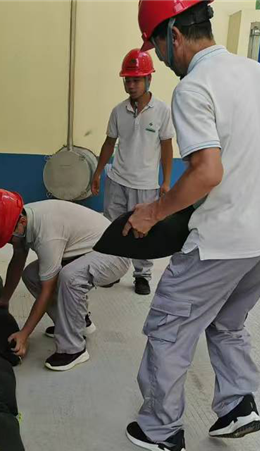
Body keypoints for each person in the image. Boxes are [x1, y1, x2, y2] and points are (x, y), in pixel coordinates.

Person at [122, 0, 260, 451]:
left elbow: (206, 171)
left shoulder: (195, 87)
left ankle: (160, 430)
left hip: (222, 240)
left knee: (170, 326)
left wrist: (154, 212)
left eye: (158, 47)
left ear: (174, 36)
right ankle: (237, 404)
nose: (162, 60)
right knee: (227, 321)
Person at [0, 189, 129, 371]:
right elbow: (17, 261)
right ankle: (77, 323)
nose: (9, 242)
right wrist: (4, 299)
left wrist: (24, 334)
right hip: (87, 249)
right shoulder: (20, 218)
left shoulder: (47, 234)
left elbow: (47, 290)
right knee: (31, 275)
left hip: (114, 254)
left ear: (21, 222)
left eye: (8, 238)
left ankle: (73, 348)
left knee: (70, 277)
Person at [91, 49, 174, 295]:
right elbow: (109, 143)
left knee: (142, 230)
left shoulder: (162, 111)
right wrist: (97, 173)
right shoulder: (118, 111)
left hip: (145, 183)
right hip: (117, 180)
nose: (131, 85)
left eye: (136, 80)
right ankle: (112, 270)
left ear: (149, 79)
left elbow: (167, 146)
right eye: (127, 80)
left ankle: (142, 275)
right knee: (112, 226)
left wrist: (166, 181)